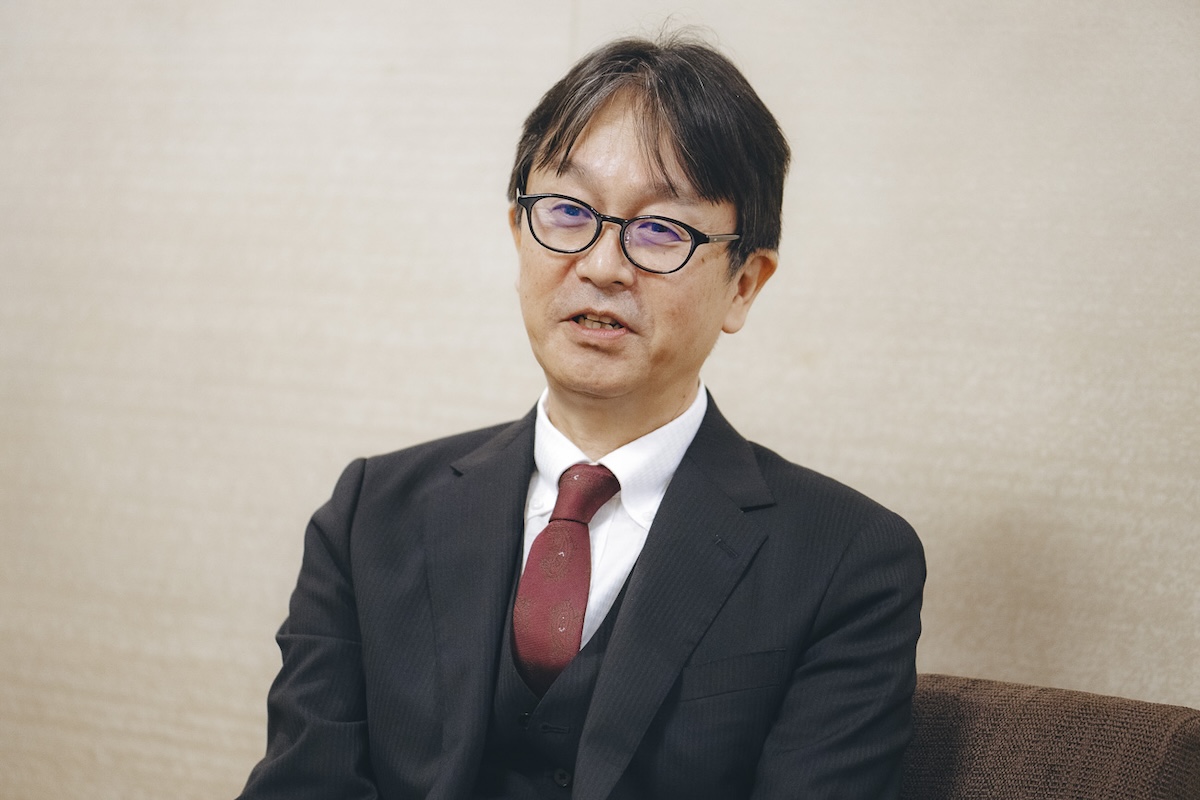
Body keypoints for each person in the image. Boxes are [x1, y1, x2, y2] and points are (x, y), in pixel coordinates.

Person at [239, 33, 924, 800]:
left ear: (744, 285)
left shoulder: (847, 561)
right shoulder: (370, 516)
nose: (602, 265)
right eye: (567, 212)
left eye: (661, 229)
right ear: (518, 234)